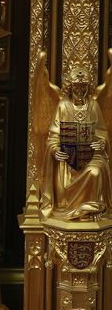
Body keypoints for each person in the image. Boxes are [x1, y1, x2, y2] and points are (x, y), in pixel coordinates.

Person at [41, 66, 111, 219]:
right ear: (70, 87)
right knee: (64, 182)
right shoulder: (63, 106)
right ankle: (71, 209)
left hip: (91, 157)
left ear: (88, 87)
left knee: (96, 172)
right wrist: (55, 150)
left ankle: (91, 209)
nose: (80, 90)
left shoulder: (93, 106)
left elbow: (102, 133)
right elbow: (53, 137)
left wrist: (101, 143)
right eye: (76, 87)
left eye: (83, 87)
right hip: (68, 160)